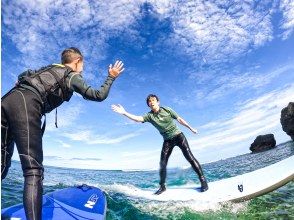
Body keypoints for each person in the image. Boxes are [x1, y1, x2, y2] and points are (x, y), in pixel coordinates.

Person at [1, 47, 124, 220]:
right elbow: (97, 95)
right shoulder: (72, 75)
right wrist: (111, 76)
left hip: (6, 101)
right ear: (77, 61)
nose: (83, 68)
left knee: (1, 167)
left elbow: (22, 75)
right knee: (33, 170)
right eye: (83, 64)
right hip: (27, 105)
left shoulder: (46, 68)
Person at [111, 94, 208, 195]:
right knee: (162, 164)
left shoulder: (167, 110)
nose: (151, 102)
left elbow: (179, 119)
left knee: (189, 157)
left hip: (179, 136)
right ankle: (162, 186)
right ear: (148, 105)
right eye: (149, 101)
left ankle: (203, 181)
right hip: (167, 140)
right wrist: (124, 113)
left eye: (153, 100)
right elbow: (137, 119)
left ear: (158, 102)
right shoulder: (149, 116)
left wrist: (191, 128)